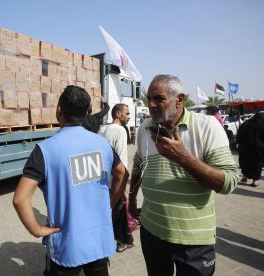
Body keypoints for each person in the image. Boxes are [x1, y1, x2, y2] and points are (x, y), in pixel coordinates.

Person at [128, 75, 238, 276]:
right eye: (149, 98)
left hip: (193, 240)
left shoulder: (207, 126)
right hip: (151, 230)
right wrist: (132, 197)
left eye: (159, 98)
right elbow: (138, 163)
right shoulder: (145, 127)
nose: (151, 105)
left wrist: (183, 157)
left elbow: (229, 182)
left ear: (179, 99)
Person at [13, 85, 128, 276]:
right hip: (99, 241)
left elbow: (20, 199)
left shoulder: (45, 150)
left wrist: (37, 230)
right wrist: (110, 201)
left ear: (59, 110)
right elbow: (122, 174)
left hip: (67, 245)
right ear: (88, 112)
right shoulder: (102, 144)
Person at [99, 103, 134, 252]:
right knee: (118, 211)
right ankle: (120, 242)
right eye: (126, 113)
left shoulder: (102, 129)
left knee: (107, 210)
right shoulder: (120, 130)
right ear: (118, 114)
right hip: (115, 180)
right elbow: (121, 160)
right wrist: (123, 187)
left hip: (102, 179)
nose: (129, 116)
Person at [237, 111, 264, 187]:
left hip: (245, 147)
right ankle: (255, 181)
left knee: (245, 162)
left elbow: (239, 134)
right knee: (257, 164)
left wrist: (238, 142)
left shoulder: (246, 123)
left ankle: (244, 177)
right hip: (259, 149)